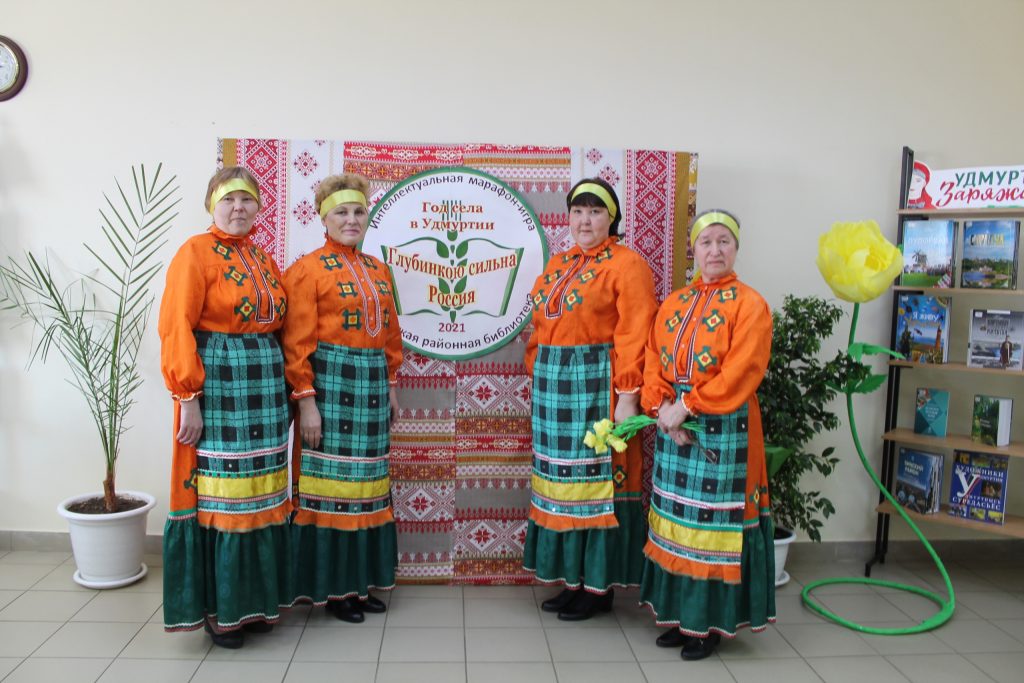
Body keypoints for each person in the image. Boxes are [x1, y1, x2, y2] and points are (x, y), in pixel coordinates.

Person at [159, 167, 291, 648]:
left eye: (247, 200)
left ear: (259, 207)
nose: (239, 208)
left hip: (265, 391)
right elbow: (176, 325)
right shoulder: (194, 253)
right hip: (219, 387)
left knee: (261, 492)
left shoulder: (264, 258)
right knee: (225, 497)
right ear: (211, 205)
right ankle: (223, 611)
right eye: (229, 199)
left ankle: (257, 603)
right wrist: (188, 398)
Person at [639, 209, 775, 660]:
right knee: (678, 524)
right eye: (706, 242)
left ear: (736, 248)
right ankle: (681, 617)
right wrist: (662, 408)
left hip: (725, 429)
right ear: (693, 250)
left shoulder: (750, 304)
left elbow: (742, 371)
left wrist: (687, 407)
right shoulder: (674, 303)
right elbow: (654, 359)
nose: (715, 250)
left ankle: (707, 625)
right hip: (674, 425)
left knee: (712, 529)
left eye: (724, 242)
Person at [523, 177, 658, 621]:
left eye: (595, 212)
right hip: (554, 393)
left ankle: (597, 587)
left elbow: (636, 331)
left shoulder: (627, 265)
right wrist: (538, 368)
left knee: (596, 485)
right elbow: (541, 326)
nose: (585, 220)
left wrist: (627, 395)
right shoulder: (559, 264)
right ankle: (572, 580)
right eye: (578, 211)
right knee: (563, 487)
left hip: (598, 387)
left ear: (611, 218)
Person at [282, 173, 403, 623]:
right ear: (323, 218)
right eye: (341, 212)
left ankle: (359, 583)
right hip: (329, 390)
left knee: (367, 489)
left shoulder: (378, 270)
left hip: (370, 391)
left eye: (358, 211)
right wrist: (306, 402)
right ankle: (334, 590)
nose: (351, 220)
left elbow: (390, 334)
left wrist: (391, 386)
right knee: (330, 490)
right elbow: (296, 343)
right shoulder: (307, 270)